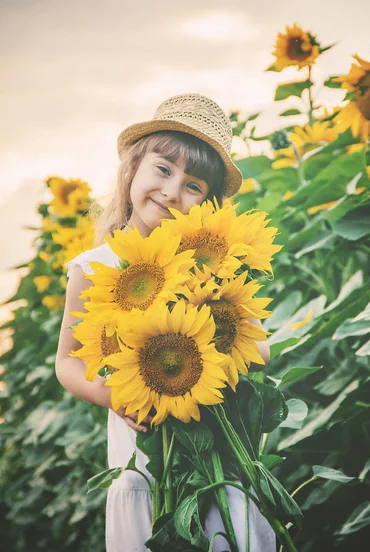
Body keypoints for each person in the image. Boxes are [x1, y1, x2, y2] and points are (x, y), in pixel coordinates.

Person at [55, 93, 276, 552]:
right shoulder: (93, 269)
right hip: (142, 468)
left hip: (217, 469)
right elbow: (67, 362)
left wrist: (211, 346)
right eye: (163, 169)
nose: (173, 190)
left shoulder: (209, 264)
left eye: (193, 185)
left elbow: (261, 348)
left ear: (205, 202)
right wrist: (110, 394)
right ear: (131, 169)